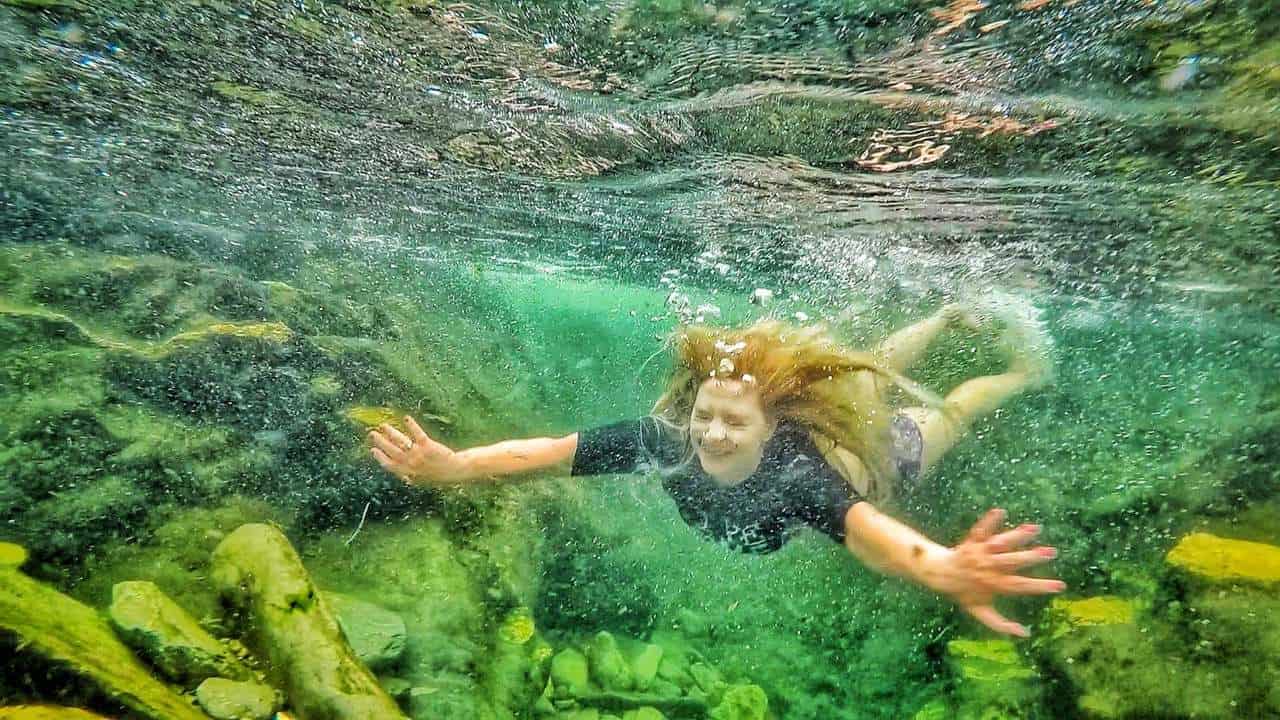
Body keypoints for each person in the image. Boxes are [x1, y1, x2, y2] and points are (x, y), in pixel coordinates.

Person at [369, 304, 1063, 637]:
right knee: (864, 374)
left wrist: (937, 564)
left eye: (736, 423)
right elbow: (550, 452)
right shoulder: (665, 440)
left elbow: (864, 528)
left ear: (771, 427)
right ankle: (946, 314)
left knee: (943, 412)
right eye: (707, 415)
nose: (713, 433)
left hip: (876, 462)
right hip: (829, 450)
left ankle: (1018, 372)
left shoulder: (795, 472)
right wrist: (456, 465)